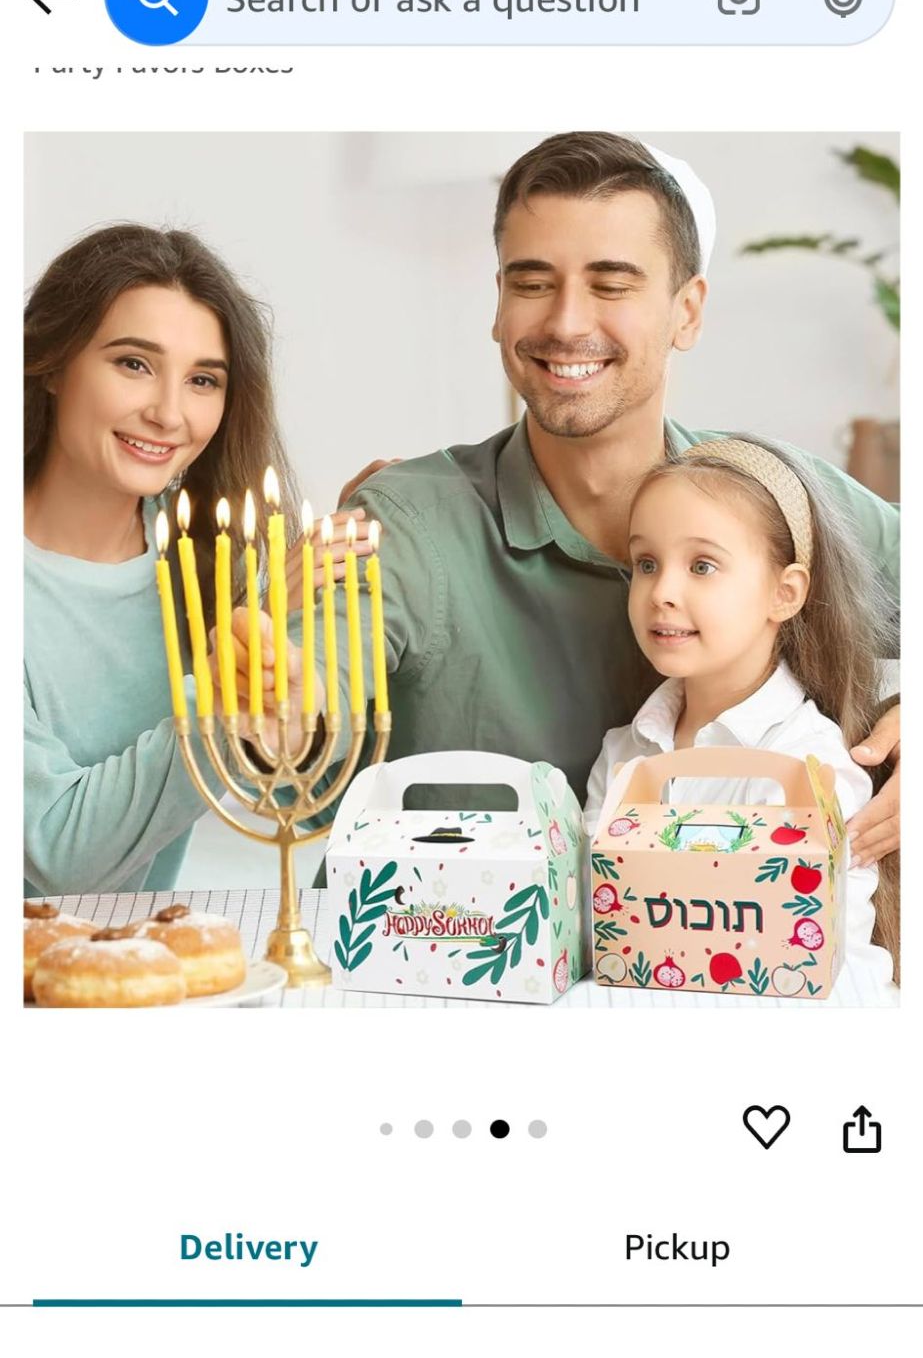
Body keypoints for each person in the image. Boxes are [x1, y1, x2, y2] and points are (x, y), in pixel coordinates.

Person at [266, 133, 899, 865]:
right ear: (498, 306)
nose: (565, 323)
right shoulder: (407, 523)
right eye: (531, 283)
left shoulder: (776, 496)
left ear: (686, 312)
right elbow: (298, 705)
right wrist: (274, 691)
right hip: (443, 968)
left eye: (611, 284)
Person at [24, 223, 366, 897]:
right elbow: (57, 853)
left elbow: (297, 792)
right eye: (133, 363)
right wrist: (229, 680)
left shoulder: (219, 567)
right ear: (54, 363)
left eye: (203, 379)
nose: (170, 414)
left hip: (152, 963)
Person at [583, 437, 898, 993]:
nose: (663, 592)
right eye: (647, 563)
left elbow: (828, 965)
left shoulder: (808, 767)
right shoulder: (624, 753)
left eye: (702, 565)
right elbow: (591, 928)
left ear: (785, 593)